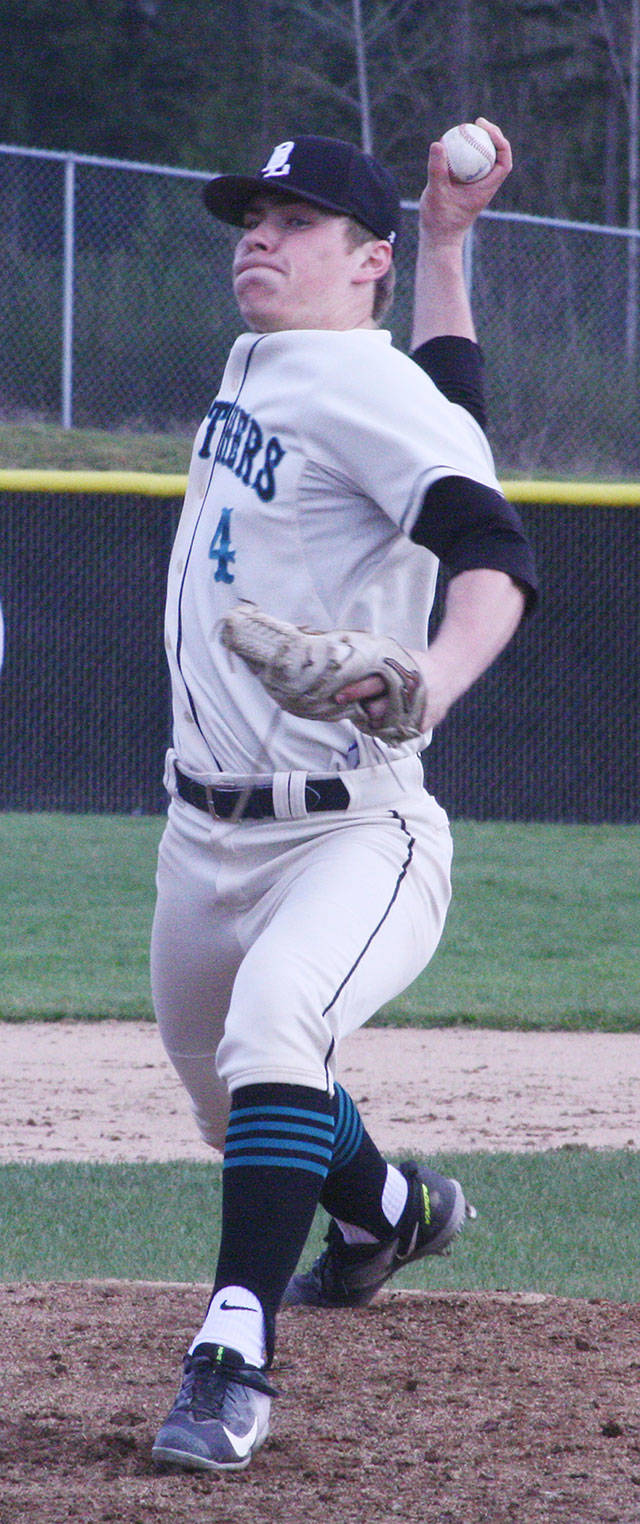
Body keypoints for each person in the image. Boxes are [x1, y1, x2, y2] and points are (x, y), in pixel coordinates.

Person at [150, 122, 538, 1475]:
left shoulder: (350, 384)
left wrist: (429, 676)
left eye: (298, 219)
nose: (259, 233)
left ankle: (232, 1356)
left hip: (353, 826)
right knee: (236, 1098)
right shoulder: (287, 362)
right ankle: (384, 1211)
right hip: (201, 836)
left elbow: (495, 548)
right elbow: (451, 414)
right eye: (254, 213)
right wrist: (447, 247)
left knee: (275, 1031)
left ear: (356, 261)